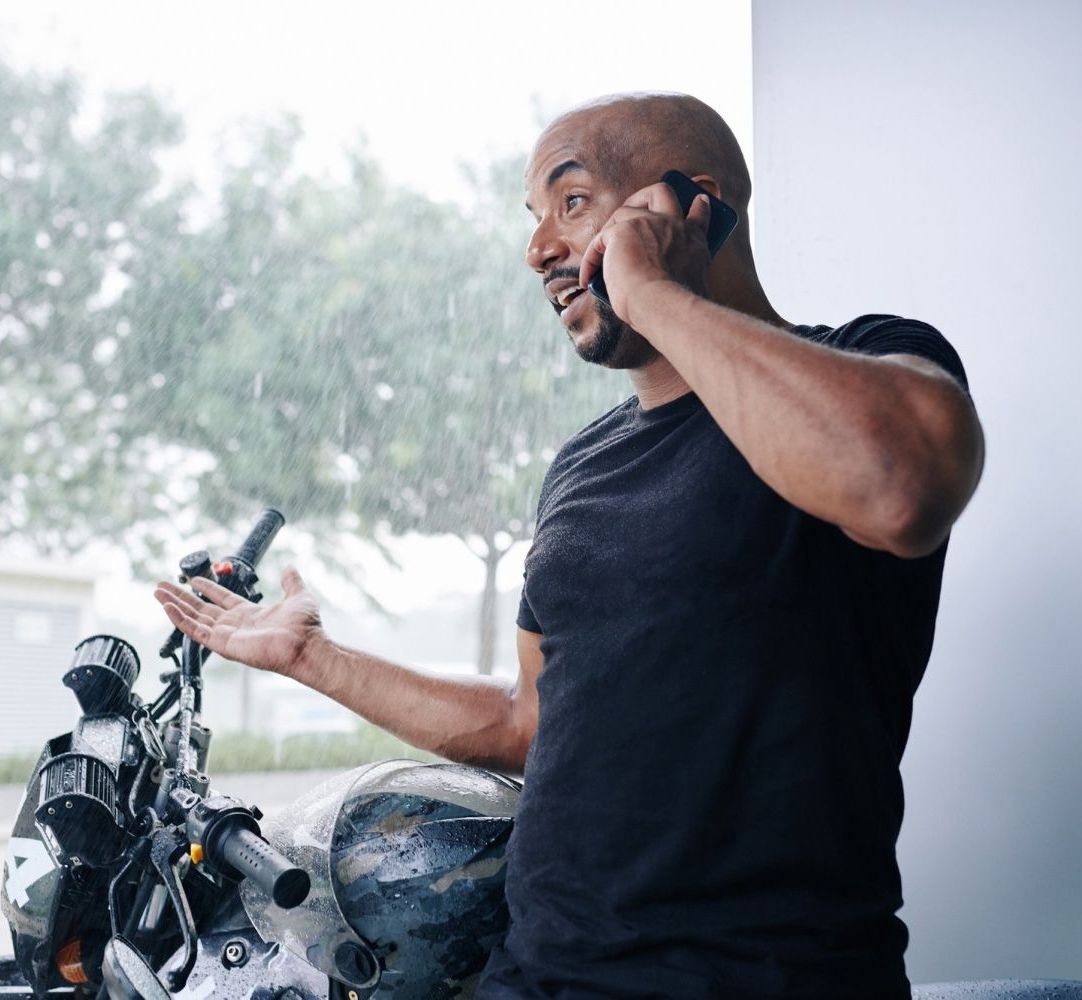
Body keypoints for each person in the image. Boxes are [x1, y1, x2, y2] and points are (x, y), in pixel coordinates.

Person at [156, 92, 984, 998]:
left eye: (573, 202)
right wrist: (313, 658)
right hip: (541, 975)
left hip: (764, 977)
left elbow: (901, 490)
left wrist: (655, 289)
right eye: (533, 218)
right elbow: (529, 721)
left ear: (692, 203)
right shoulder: (584, 464)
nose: (538, 248)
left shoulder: (866, 364)